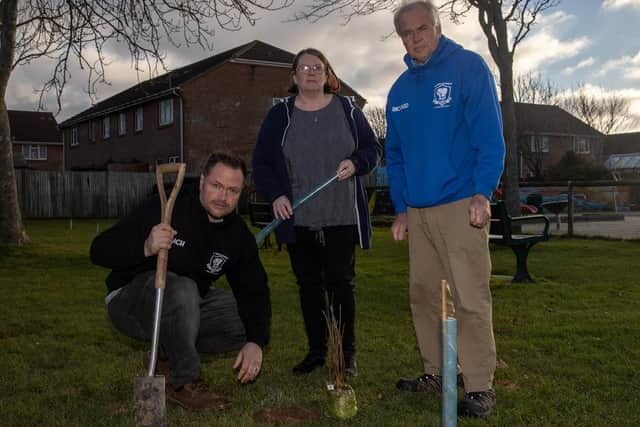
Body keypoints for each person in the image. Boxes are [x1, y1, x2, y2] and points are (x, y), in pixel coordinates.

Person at [385, 1, 505, 418]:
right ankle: (438, 371)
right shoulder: (399, 90)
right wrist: (400, 209)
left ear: (438, 27)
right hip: (417, 213)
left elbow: (489, 137)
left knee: (469, 295)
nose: (415, 38)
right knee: (424, 296)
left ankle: (479, 384)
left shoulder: (468, 68)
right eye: (407, 33)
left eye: (422, 29)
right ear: (400, 38)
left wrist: (482, 192)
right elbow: (395, 157)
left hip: (461, 204)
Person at [90, 153, 271, 411]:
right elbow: (99, 250)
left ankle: (167, 356)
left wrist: (256, 341)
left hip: (184, 304)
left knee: (243, 319)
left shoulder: (237, 235)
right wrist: (145, 246)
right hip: (128, 300)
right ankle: (184, 382)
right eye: (216, 186)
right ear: (201, 183)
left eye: (233, 190)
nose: (223, 197)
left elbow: (255, 290)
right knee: (184, 289)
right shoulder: (165, 208)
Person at [252, 48, 379, 377]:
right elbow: (262, 163)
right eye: (304, 67)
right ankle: (317, 351)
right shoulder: (279, 115)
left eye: (318, 67)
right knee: (308, 286)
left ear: (328, 75)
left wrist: (357, 162)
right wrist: (277, 194)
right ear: (294, 77)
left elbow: (371, 148)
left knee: (340, 284)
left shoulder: (348, 110)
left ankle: (346, 354)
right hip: (299, 217)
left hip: (341, 215)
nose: (311, 72)